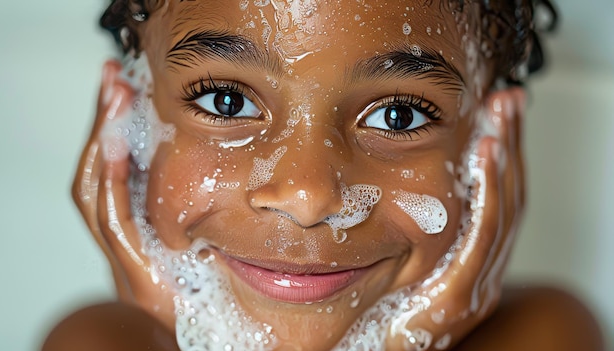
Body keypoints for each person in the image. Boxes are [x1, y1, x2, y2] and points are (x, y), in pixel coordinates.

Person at [43, 0, 604, 350]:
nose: (308, 197)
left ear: (490, 138)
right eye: (227, 102)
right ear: (127, 117)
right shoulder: (89, 342)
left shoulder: (548, 335)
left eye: (397, 115)